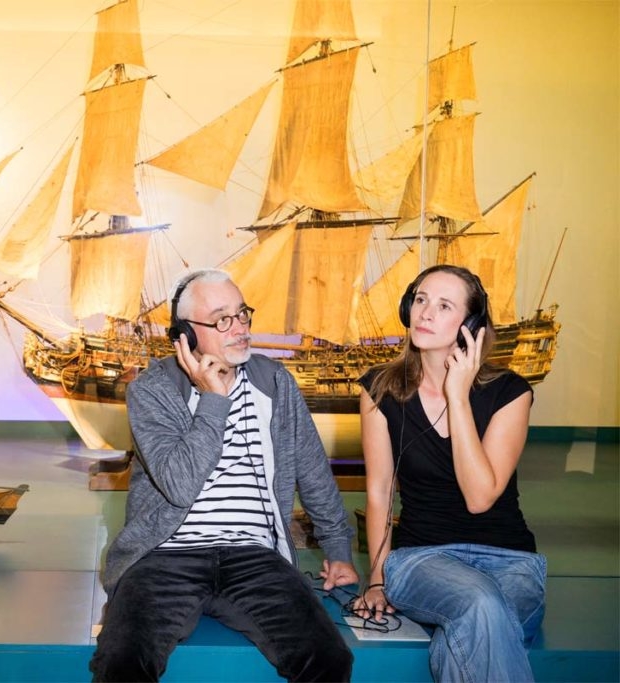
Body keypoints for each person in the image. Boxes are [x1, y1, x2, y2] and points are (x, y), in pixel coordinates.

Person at [90, 269, 357, 682]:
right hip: (164, 555)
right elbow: (180, 487)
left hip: (254, 555)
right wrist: (214, 400)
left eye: (242, 314)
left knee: (330, 659)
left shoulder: (275, 383)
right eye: (222, 319)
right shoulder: (153, 390)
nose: (240, 328)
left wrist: (339, 551)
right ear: (186, 335)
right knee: (121, 663)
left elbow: (312, 470)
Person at [354, 264, 546, 682]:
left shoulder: (510, 393)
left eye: (444, 306)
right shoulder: (380, 389)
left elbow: (480, 497)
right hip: (422, 559)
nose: (425, 313)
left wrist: (457, 396)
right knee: (480, 603)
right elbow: (380, 492)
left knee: (465, 632)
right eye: (420, 300)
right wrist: (377, 579)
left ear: (470, 326)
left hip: (510, 562)